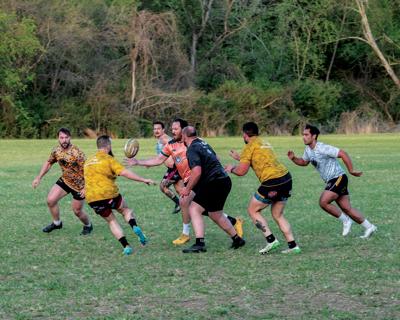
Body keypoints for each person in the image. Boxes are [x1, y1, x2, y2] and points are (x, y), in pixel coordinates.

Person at [125, 118, 243, 245]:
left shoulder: (194, 143)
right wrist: (138, 162)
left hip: (201, 181)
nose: (173, 131)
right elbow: (158, 160)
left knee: (186, 203)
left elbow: (212, 157)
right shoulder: (170, 145)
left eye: (176, 129)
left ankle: (188, 235)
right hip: (190, 181)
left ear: (184, 131)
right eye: (172, 129)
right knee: (202, 209)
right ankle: (232, 223)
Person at [287, 124, 377, 238]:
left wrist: (351, 170)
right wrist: (294, 158)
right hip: (333, 180)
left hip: (338, 178)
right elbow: (304, 162)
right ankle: (370, 227)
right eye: (303, 135)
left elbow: (342, 153)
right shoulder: (308, 150)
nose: (303, 137)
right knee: (346, 208)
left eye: (306, 134)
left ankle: (346, 221)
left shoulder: (322, 147)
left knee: (323, 202)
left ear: (314, 136)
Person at [225, 122, 301, 254]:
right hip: (286, 178)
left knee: (253, 210)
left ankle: (271, 240)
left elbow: (242, 171)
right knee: (277, 214)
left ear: (245, 134)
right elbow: (259, 160)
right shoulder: (264, 142)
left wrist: (231, 168)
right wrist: (240, 157)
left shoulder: (249, 147)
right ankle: (293, 246)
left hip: (273, 182)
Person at [84, 135, 155, 255]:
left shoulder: (88, 161)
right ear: (108, 145)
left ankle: (126, 246)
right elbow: (125, 173)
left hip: (92, 198)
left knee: (111, 221)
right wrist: (143, 179)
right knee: (126, 211)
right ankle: (135, 227)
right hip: (109, 194)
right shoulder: (108, 159)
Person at [180, 126, 245, 253]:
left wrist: (187, 189)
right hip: (224, 180)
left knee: (194, 208)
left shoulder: (192, 149)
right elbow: (216, 159)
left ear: (184, 136)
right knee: (215, 214)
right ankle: (237, 239)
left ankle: (200, 244)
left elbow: (197, 172)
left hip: (214, 182)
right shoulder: (204, 143)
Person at [32, 127, 93, 235]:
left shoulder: (76, 152)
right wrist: (38, 177)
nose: (64, 140)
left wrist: (86, 187)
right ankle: (57, 223)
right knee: (50, 200)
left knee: (77, 211)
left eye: (66, 137)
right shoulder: (57, 150)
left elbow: (89, 170)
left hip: (79, 185)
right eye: (61, 137)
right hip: (65, 180)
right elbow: (49, 162)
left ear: (70, 138)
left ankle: (88, 225)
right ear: (58, 138)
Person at [153, 121, 182, 214]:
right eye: (154, 129)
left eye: (158, 129)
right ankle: (196, 207)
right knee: (180, 191)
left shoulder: (164, 139)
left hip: (175, 168)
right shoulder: (160, 140)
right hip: (172, 169)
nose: (156, 131)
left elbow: (176, 146)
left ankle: (179, 204)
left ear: (163, 130)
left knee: (163, 186)